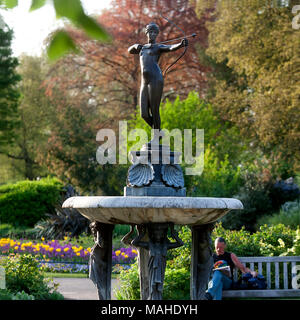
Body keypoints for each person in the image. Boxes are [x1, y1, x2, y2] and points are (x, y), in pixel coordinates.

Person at [128, 22, 188, 132]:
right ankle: (159, 132)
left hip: (155, 79)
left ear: (157, 34)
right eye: (150, 32)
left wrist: (180, 44)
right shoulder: (142, 48)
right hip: (144, 82)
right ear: (146, 33)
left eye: (154, 32)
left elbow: (170, 48)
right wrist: (135, 45)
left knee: (154, 110)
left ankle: (156, 135)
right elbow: (130, 50)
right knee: (144, 114)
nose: (152, 34)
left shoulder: (158, 47)